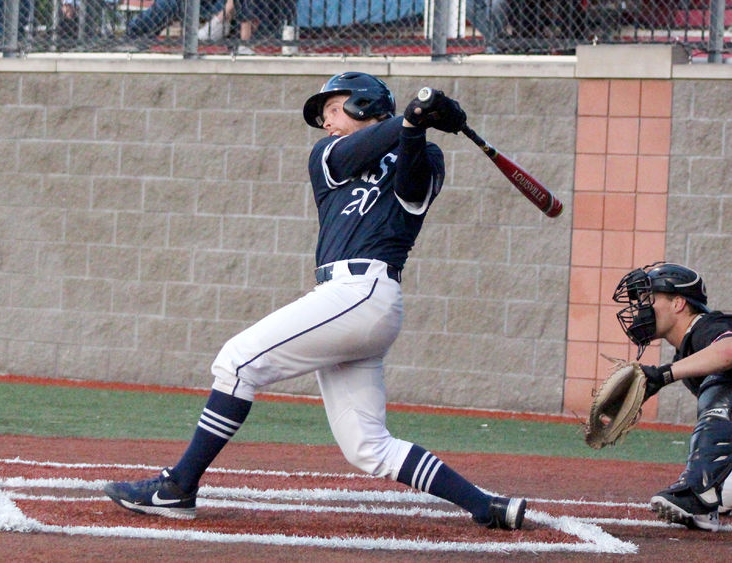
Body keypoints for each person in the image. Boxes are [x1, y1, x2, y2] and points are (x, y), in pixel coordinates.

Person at [103, 71, 527, 531]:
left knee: (237, 363)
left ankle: (178, 486)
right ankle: (485, 505)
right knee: (368, 448)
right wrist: (412, 116)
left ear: (364, 103)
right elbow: (353, 155)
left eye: (332, 109)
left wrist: (415, 126)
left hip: (365, 292)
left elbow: (410, 184)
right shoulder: (327, 155)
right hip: (346, 299)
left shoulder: (427, 155)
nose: (325, 122)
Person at [612, 262, 732, 532]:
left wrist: (665, 374)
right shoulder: (687, 349)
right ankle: (707, 496)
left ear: (678, 303)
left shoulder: (707, 327)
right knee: (727, 492)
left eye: (649, 298)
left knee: (721, 385)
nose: (642, 307)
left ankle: (698, 492)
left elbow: (729, 351)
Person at [125, 0, 225, 39]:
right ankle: (135, 32)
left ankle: (136, 32)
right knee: (168, 3)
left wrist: (218, 20)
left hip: (216, 7)